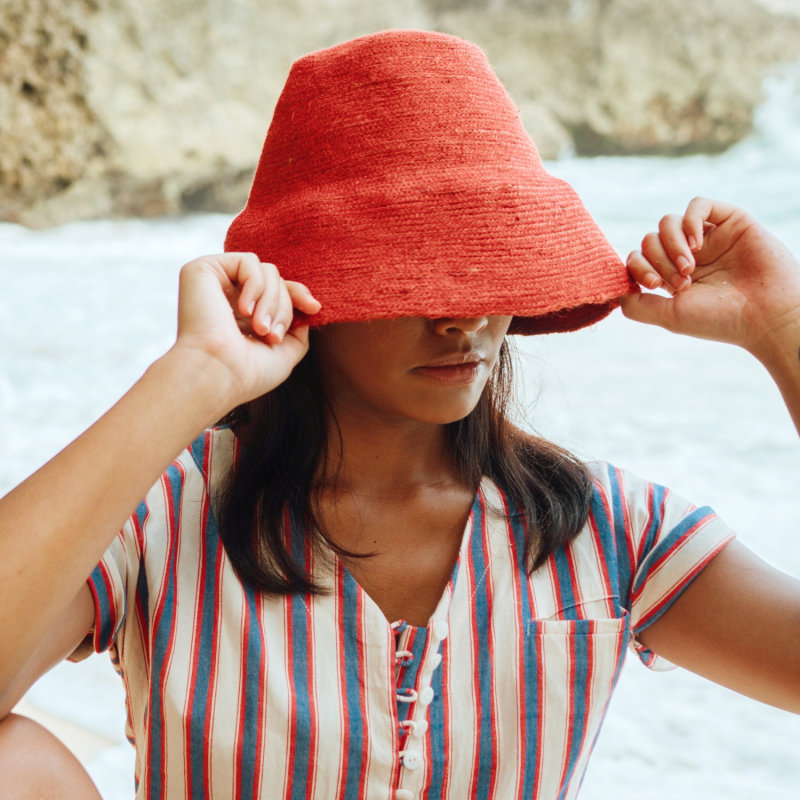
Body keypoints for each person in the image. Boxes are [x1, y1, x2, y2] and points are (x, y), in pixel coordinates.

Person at [1, 29, 799, 800]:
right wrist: (196, 374)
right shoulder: (167, 516)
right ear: (315, 285)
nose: (462, 318)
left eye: (487, 265)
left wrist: (783, 329)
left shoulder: (610, 530)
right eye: (413, 274)